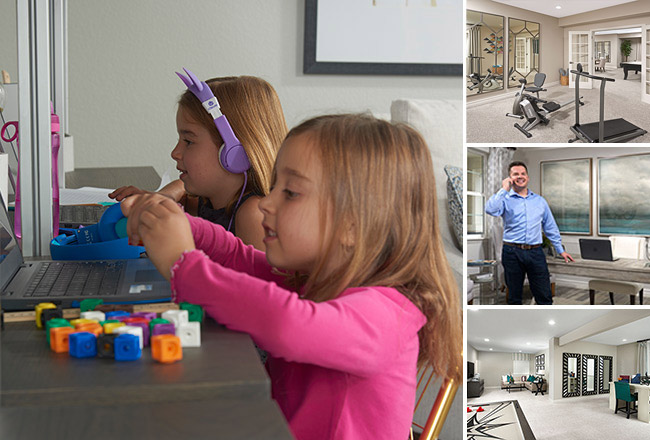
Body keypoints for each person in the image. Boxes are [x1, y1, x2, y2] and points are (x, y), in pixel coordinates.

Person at [120, 114, 462, 440]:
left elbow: (286, 323)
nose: (267, 203)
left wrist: (184, 264)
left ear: (352, 226)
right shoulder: (319, 281)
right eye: (274, 186)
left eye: (290, 192)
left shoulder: (386, 313)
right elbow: (239, 258)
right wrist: (177, 225)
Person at [110, 75, 287, 251]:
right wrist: (163, 198)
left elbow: (260, 280)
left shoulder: (253, 215)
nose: (175, 153)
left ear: (234, 153)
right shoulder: (207, 200)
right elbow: (181, 188)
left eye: (188, 141)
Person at [485, 161, 573, 305]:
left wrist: (560, 250)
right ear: (510, 178)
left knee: (544, 296)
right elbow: (490, 209)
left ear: (528, 177)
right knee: (514, 297)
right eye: (515, 174)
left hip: (536, 252)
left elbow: (550, 227)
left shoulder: (540, 201)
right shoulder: (504, 199)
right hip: (512, 252)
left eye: (523, 173)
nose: (520, 176)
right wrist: (503, 190)